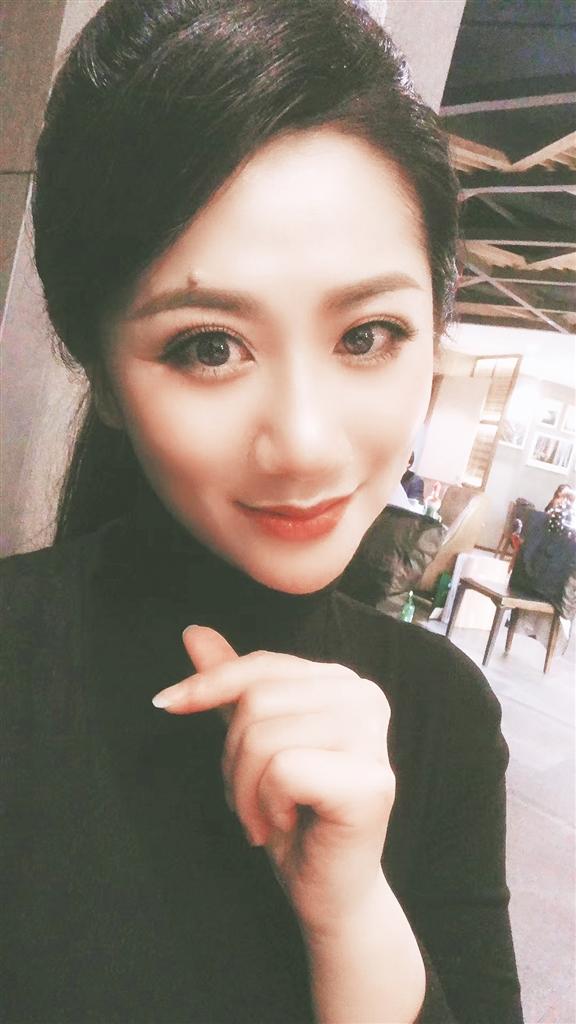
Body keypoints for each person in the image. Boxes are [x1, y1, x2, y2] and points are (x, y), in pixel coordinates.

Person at [1, 2, 523, 1022]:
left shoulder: (446, 718)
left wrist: (353, 916)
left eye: (367, 335)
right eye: (209, 346)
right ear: (103, 373)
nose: (307, 444)